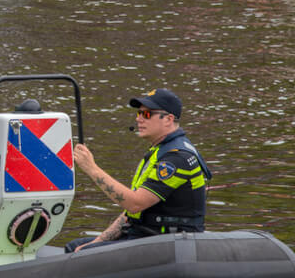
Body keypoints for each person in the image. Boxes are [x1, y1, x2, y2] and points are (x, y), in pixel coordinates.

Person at [65, 88, 211, 253]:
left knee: (84, 254)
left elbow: (135, 203)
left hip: (168, 243)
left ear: (168, 119)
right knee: (75, 247)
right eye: (138, 113)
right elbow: (131, 213)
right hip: (145, 234)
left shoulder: (176, 158)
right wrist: (97, 241)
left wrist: (91, 168)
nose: (138, 119)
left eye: (146, 114)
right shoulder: (159, 151)